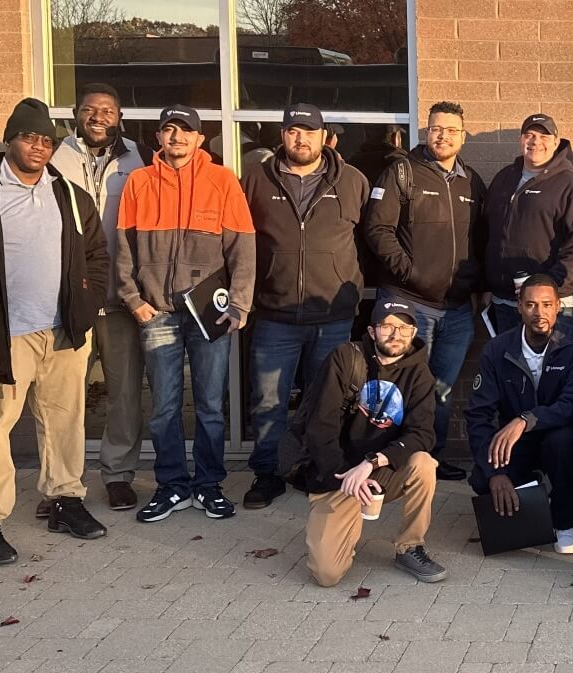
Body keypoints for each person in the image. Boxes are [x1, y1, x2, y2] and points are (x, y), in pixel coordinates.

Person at [0, 97, 112, 566]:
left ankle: (65, 500)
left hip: (62, 331)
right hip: (4, 335)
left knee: (65, 421)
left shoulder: (68, 194)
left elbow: (96, 254)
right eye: (29, 137)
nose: (39, 147)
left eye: (46, 139)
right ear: (10, 140)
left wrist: (89, 300)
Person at [114, 105, 256, 523]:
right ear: (158, 137)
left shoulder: (222, 181)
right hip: (156, 311)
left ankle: (208, 485)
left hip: (208, 313)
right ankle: (172, 485)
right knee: (164, 406)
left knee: (211, 405)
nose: (176, 137)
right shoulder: (139, 183)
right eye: (168, 130)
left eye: (185, 131)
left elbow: (243, 248)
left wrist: (241, 302)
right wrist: (132, 299)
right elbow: (122, 247)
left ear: (199, 139)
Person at [240, 104, 370, 509]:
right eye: (294, 131)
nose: (301, 139)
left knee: (328, 402)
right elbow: (240, 239)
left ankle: (318, 468)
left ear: (324, 137)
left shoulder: (352, 181)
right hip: (275, 313)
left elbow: (368, 240)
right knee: (268, 401)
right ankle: (268, 473)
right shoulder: (256, 178)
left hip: (332, 315)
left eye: (309, 132)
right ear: (282, 135)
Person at [364, 100, 489, 485]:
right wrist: (411, 273)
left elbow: (481, 240)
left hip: (456, 310)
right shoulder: (401, 172)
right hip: (408, 305)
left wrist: (479, 287)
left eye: (452, 130)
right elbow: (377, 230)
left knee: (439, 391)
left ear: (463, 137)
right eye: (436, 128)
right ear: (426, 132)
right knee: (395, 385)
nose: (443, 136)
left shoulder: (473, 182)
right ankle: (383, 463)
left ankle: (426, 463)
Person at [289, 299, 446, 586]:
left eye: (403, 327)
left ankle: (410, 546)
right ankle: (346, 525)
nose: (395, 334)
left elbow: (422, 434)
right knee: (327, 574)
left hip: (380, 469)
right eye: (387, 326)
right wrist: (349, 475)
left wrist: (372, 463)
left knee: (423, 462)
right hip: (338, 473)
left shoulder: (419, 373)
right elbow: (319, 429)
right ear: (373, 332)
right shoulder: (345, 359)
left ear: (413, 333)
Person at [51, 83, 147, 512]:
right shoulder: (54, 157)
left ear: (119, 115)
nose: (98, 116)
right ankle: (62, 484)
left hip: (121, 301)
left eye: (106, 110)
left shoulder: (138, 158)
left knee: (124, 395)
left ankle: (118, 475)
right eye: (90, 110)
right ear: (76, 114)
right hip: (68, 300)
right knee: (63, 398)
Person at [466, 276, 573, 554]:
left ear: (558, 306)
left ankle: (564, 519)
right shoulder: (496, 350)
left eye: (547, 304)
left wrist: (526, 420)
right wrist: (495, 473)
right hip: (517, 442)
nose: (539, 313)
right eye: (531, 305)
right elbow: (478, 415)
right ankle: (530, 494)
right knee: (481, 479)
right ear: (519, 307)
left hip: (561, 434)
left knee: (561, 444)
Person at [482, 113, 573, 336]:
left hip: (553, 306)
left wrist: (547, 285)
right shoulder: (503, 179)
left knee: (552, 368)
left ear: (556, 142)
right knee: (509, 368)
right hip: (505, 302)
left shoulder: (572, 186)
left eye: (544, 137)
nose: (536, 142)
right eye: (530, 135)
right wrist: (486, 284)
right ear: (520, 140)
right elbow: (485, 233)